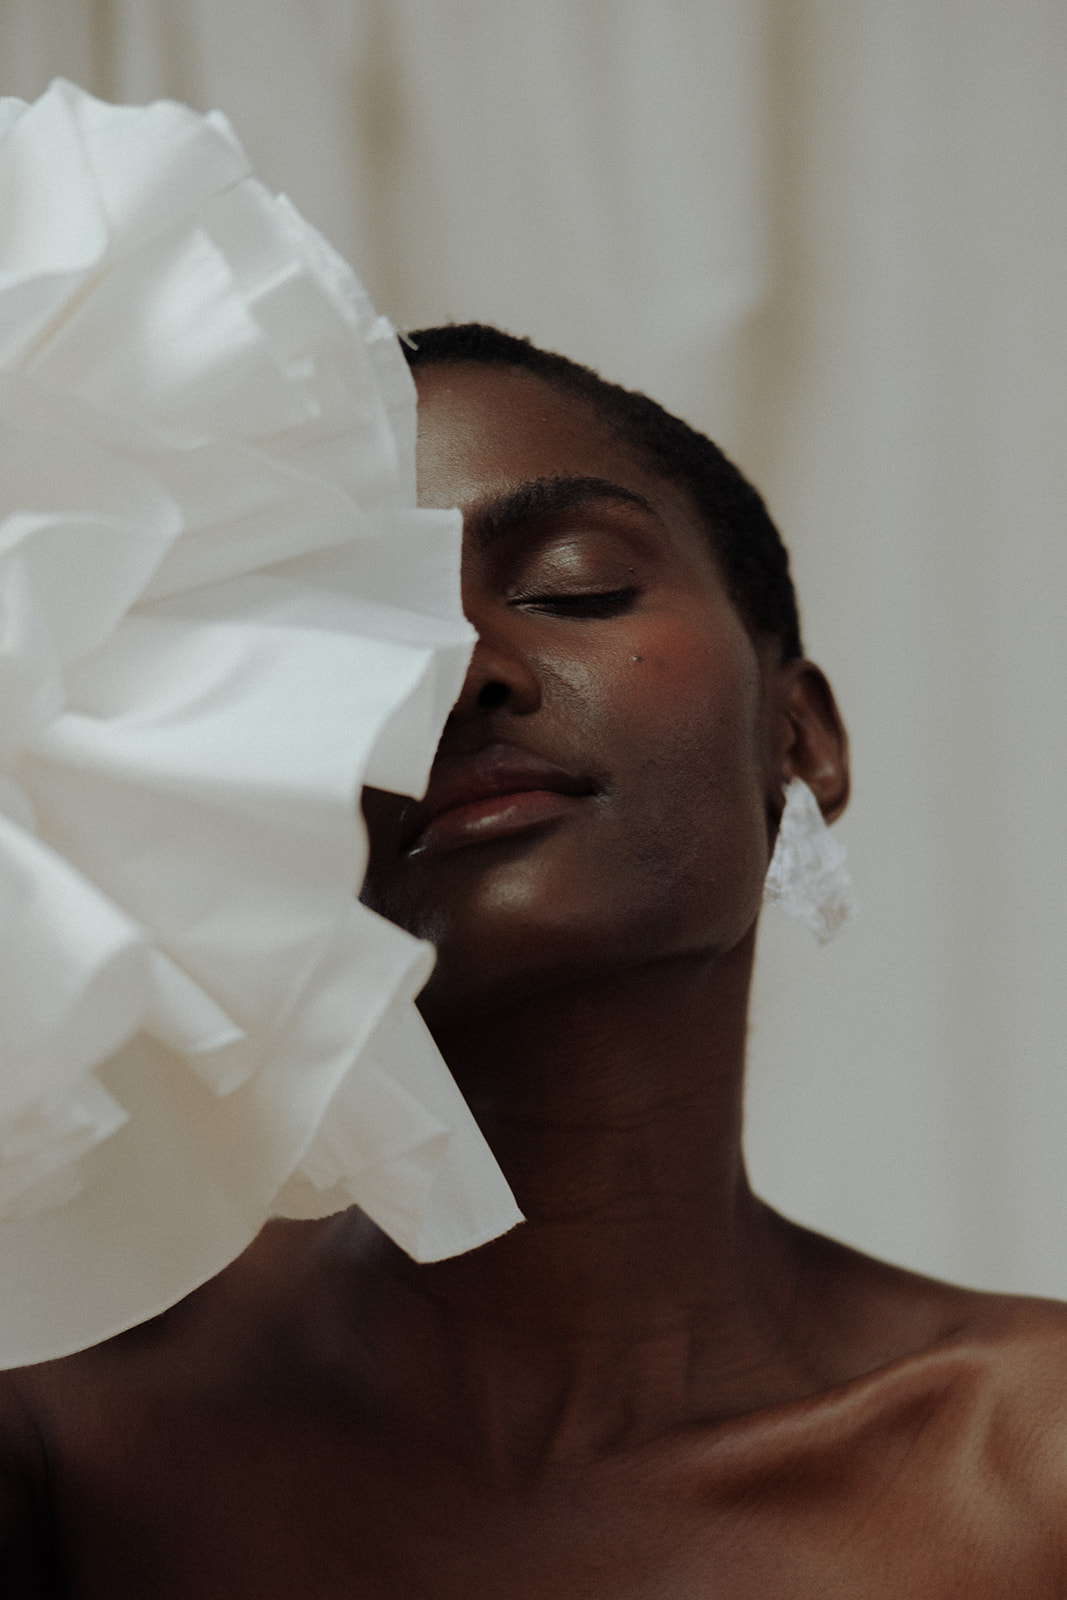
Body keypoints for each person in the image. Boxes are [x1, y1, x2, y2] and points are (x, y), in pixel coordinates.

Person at [3, 323, 1067, 1598]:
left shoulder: (1028, 1466)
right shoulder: (65, 1436)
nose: (457, 675)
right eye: (346, 645)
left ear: (796, 738)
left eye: (570, 587)